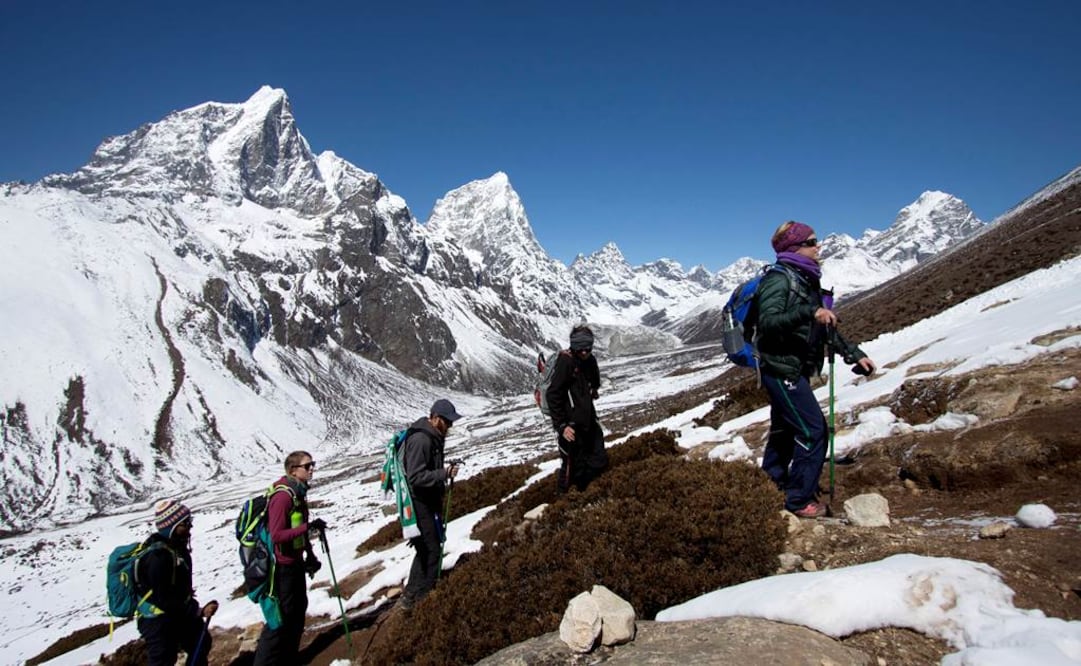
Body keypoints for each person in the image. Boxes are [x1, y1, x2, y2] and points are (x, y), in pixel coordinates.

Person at [756, 221, 877, 518]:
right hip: (781, 369)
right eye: (812, 241)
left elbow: (822, 328)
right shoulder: (780, 280)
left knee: (786, 431)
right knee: (813, 431)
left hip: (792, 368)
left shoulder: (805, 278)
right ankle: (798, 500)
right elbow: (767, 322)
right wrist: (809, 311)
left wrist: (853, 354)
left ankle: (768, 486)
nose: (818, 246)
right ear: (796, 248)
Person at [253, 451, 325, 665]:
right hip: (281, 568)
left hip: (294, 563)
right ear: (293, 470)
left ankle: (288, 658)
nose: (312, 468)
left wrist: (309, 554)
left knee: (297, 611)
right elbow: (276, 535)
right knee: (280, 620)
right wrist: (308, 527)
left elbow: (296, 530)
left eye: (313, 464)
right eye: (307, 466)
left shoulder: (298, 493)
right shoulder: (283, 497)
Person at [136, 500, 218, 666]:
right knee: (163, 659)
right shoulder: (158, 557)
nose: (190, 527)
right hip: (157, 620)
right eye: (185, 523)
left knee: (200, 643)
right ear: (171, 526)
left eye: (190, 521)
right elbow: (163, 598)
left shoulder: (175, 548)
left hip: (177, 613)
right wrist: (198, 611)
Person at [399, 398, 463, 610]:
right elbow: (416, 477)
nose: (450, 426)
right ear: (435, 419)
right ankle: (423, 598)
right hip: (420, 503)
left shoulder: (432, 436)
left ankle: (412, 595)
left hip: (426, 500)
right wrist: (443, 473)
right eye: (447, 422)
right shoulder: (422, 440)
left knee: (427, 548)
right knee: (431, 550)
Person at [546, 324, 609, 493]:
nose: (584, 352)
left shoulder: (590, 361)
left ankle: (587, 494)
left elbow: (595, 383)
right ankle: (563, 503)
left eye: (587, 348)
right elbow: (553, 395)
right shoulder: (565, 362)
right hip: (571, 427)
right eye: (580, 348)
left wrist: (592, 391)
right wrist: (561, 426)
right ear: (573, 346)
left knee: (598, 460)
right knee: (571, 468)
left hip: (589, 421)